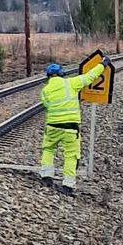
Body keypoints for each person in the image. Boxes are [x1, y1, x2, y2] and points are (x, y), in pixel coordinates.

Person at [39, 61, 85, 191]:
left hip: (52, 126)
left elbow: (47, 105)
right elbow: (90, 76)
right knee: (70, 155)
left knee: (48, 149)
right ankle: (68, 185)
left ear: (48, 76)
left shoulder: (45, 91)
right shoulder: (71, 83)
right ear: (61, 74)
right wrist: (102, 65)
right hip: (70, 127)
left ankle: (46, 176)